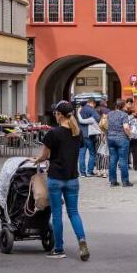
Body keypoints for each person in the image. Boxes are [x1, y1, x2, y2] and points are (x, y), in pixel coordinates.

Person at [34, 101, 90, 261]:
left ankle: (59, 249)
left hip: (55, 178)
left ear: (59, 115)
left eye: (55, 114)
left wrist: (37, 160)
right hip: (72, 178)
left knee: (57, 214)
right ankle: (82, 240)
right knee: (74, 212)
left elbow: (44, 156)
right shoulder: (76, 132)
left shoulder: (53, 133)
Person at [104, 98, 135, 187]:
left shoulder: (109, 114)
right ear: (122, 106)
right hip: (122, 139)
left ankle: (113, 181)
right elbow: (126, 127)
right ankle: (125, 181)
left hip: (110, 138)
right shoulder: (124, 115)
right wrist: (130, 135)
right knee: (123, 160)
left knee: (112, 160)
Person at [77, 97, 99, 177]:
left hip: (81, 134)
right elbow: (97, 118)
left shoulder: (81, 110)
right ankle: (90, 171)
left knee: (82, 154)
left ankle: (82, 173)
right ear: (93, 103)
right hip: (89, 134)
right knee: (92, 153)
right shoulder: (91, 110)